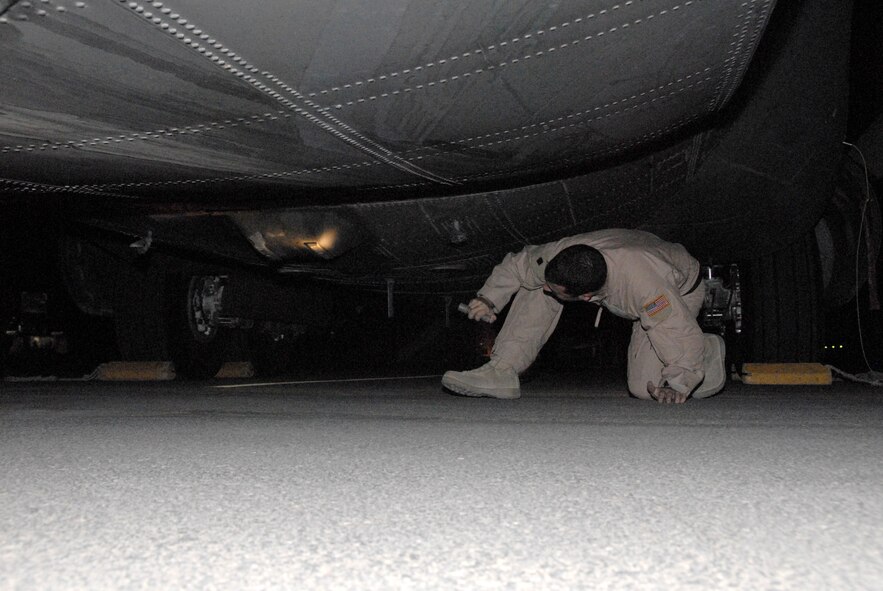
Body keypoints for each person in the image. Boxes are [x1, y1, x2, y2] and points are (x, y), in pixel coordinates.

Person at [441, 229, 725, 403]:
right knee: (539, 286)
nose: (551, 291)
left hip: (680, 290)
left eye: (560, 291)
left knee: (644, 388)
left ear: (587, 297)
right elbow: (519, 265)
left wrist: (680, 380)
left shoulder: (649, 292)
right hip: (626, 257)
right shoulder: (561, 256)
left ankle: (706, 350)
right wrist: (488, 299)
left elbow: (673, 328)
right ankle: (502, 370)